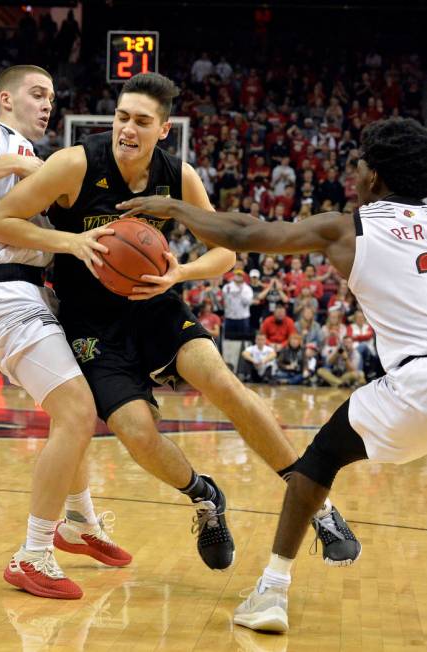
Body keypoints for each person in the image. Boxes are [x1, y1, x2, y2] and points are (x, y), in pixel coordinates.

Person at [0, 72, 359, 572]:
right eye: (121, 117)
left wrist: (181, 272)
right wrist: (71, 243)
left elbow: (225, 252)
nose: (128, 129)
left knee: (221, 381)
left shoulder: (177, 175)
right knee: (137, 434)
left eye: (141, 121)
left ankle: (319, 505)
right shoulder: (75, 164)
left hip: (153, 305)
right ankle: (205, 498)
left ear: (163, 129)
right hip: (91, 327)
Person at [118, 116, 427, 633]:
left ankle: (272, 592)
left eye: (358, 166)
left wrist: (175, 207)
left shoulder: (350, 226)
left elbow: (245, 232)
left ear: (374, 176)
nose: (353, 174)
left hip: (415, 385)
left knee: (315, 465)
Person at [0, 64, 130, 600]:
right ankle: (33, 553)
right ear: (6, 99)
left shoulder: (43, 159)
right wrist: (12, 160)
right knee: (78, 411)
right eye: (37, 95)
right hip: (0, 290)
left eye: (51, 98)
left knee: (78, 412)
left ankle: (78, 519)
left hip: (36, 290)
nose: (47, 105)